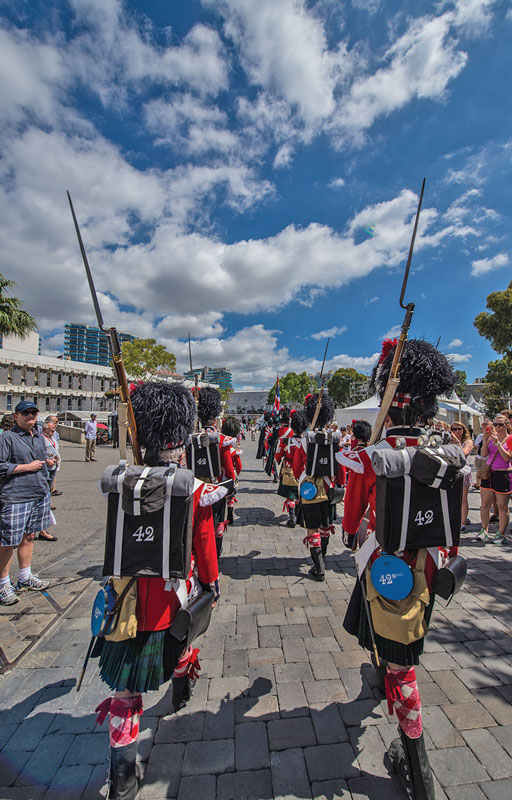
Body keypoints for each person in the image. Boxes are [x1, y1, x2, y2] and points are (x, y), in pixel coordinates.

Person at [342, 338, 458, 800]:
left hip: (386, 565)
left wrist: (353, 529)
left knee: (401, 661)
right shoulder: (449, 451)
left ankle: (417, 765)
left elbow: (353, 512)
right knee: (401, 640)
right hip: (429, 567)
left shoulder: (378, 452)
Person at [94, 382, 221, 800]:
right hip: (172, 601)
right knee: (185, 638)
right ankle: (181, 686)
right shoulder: (191, 486)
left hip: (126, 602)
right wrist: (212, 582)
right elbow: (203, 545)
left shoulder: (120, 480)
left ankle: (123, 781)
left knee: (124, 694)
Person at [0, 401, 51, 606]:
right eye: (26, 413)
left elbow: (41, 462)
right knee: (8, 541)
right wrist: (26, 467)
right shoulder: (7, 438)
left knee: (29, 536)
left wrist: (47, 467)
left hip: (38, 492)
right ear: (16, 416)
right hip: (16, 495)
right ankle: (3, 584)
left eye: (33, 412)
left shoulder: (38, 437)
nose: (30, 415)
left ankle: (25, 576)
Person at [292, 393, 338, 581]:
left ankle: (318, 568)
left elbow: (296, 468)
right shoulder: (334, 439)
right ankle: (322, 559)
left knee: (312, 528)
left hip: (310, 488)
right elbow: (339, 467)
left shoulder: (305, 440)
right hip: (328, 488)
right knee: (325, 525)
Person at [196, 387, 237, 558]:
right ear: (215, 418)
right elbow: (228, 467)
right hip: (217, 487)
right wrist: (232, 484)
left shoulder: (194, 437)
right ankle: (216, 551)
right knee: (218, 521)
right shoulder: (222, 440)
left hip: (198, 488)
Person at [476, 414, 511, 545]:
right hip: (489, 472)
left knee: (502, 505)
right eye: (495, 424)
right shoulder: (491, 438)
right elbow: (484, 454)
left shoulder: (510, 439)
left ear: (506, 425)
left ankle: (501, 533)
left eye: (500, 424)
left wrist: (498, 445)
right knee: (485, 503)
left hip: (503, 473)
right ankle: (484, 530)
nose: (497, 427)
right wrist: (486, 441)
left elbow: (507, 458)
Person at [275, 410, 306, 527]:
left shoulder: (287, 441)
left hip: (289, 469)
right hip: (302, 472)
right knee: (299, 495)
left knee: (291, 496)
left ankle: (292, 518)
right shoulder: (305, 442)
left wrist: (278, 460)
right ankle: (298, 518)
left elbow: (278, 454)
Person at [38, 417, 61, 542]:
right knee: (43, 497)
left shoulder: (52, 437)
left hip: (52, 468)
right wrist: (47, 460)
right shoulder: (41, 438)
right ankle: (42, 529)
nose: (53, 432)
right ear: (46, 429)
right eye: (52, 430)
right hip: (45, 468)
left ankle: (43, 528)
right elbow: (38, 452)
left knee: (47, 496)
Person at [450, 421, 473, 532]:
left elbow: (463, 454)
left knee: (463, 498)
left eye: (459, 429)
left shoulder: (467, 441)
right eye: (454, 429)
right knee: (452, 497)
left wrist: (457, 442)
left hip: (464, 471)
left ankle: (462, 522)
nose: (457, 431)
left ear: (463, 430)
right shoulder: (449, 441)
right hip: (452, 471)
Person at [220, 415, 243, 525]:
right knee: (231, 497)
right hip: (228, 476)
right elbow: (238, 466)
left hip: (219, 476)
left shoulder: (219, 444)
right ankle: (230, 515)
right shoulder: (232, 450)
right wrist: (235, 475)